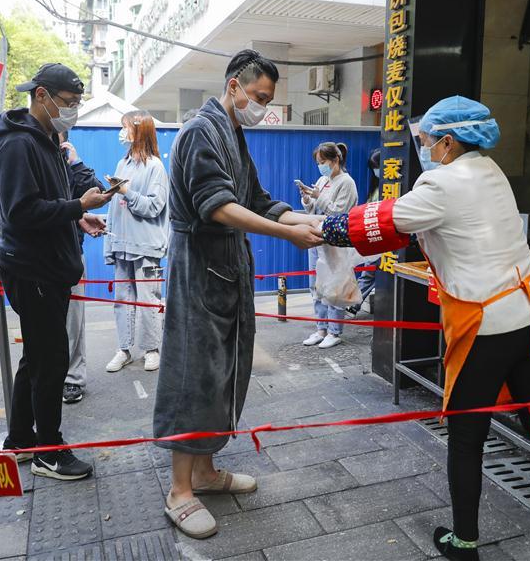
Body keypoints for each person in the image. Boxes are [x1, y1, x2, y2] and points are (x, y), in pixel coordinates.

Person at [318, 96, 530, 560]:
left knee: (467, 435)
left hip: (487, 324)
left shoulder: (442, 182)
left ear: (448, 142)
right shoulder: (491, 172)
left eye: (427, 140)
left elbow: (388, 220)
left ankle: (464, 543)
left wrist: (323, 227)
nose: (423, 147)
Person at [153, 49, 322, 539]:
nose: (263, 106)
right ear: (234, 86)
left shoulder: (232, 132)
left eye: (268, 100)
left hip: (227, 270)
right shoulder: (199, 131)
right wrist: (286, 235)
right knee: (194, 373)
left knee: (223, 371)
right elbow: (220, 206)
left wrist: (307, 220)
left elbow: (258, 199)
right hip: (199, 271)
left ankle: (205, 473)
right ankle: (179, 490)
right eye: (260, 97)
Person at [0, 63, 113, 480]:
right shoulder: (17, 145)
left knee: (37, 357)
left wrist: (77, 219)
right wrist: (79, 207)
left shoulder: (47, 141)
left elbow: (50, 202)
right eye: (69, 102)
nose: (73, 111)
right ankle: (48, 450)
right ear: (41, 95)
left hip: (48, 268)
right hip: (34, 270)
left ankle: (21, 441)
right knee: (51, 360)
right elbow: (20, 212)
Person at [0, 133, 105, 405]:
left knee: (72, 325)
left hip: (68, 258)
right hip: (37, 267)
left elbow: (95, 192)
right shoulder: (26, 158)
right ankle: (37, 424)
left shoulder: (67, 165)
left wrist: (77, 163)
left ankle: (72, 380)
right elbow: (9, 211)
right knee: (41, 346)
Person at [104, 110, 168, 373]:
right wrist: (109, 241)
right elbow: (114, 208)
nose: (122, 132)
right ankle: (125, 349)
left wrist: (127, 192)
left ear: (140, 130)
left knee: (148, 300)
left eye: (125, 127)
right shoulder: (123, 163)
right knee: (123, 300)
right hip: (121, 245)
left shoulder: (155, 166)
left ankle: (151, 349)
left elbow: (154, 206)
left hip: (146, 247)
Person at [299, 142, 358, 348]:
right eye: (318, 163)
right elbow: (314, 208)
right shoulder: (323, 180)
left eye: (323, 162)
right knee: (316, 284)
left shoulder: (347, 183)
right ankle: (321, 328)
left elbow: (337, 212)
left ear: (336, 160)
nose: (320, 166)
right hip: (317, 235)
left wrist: (318, 197)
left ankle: (334, 330)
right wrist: (307, 199)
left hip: (335, 240)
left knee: (335, 285)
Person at [347, 148, 381, 316]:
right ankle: (354, 303)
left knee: (369, 272)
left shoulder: (389, 187)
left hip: (382, 237)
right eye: (373, 167)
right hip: (373, 236)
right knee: (369, 271)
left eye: (377, 166)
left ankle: (354, 304)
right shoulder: (376, 187)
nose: (376, 171)